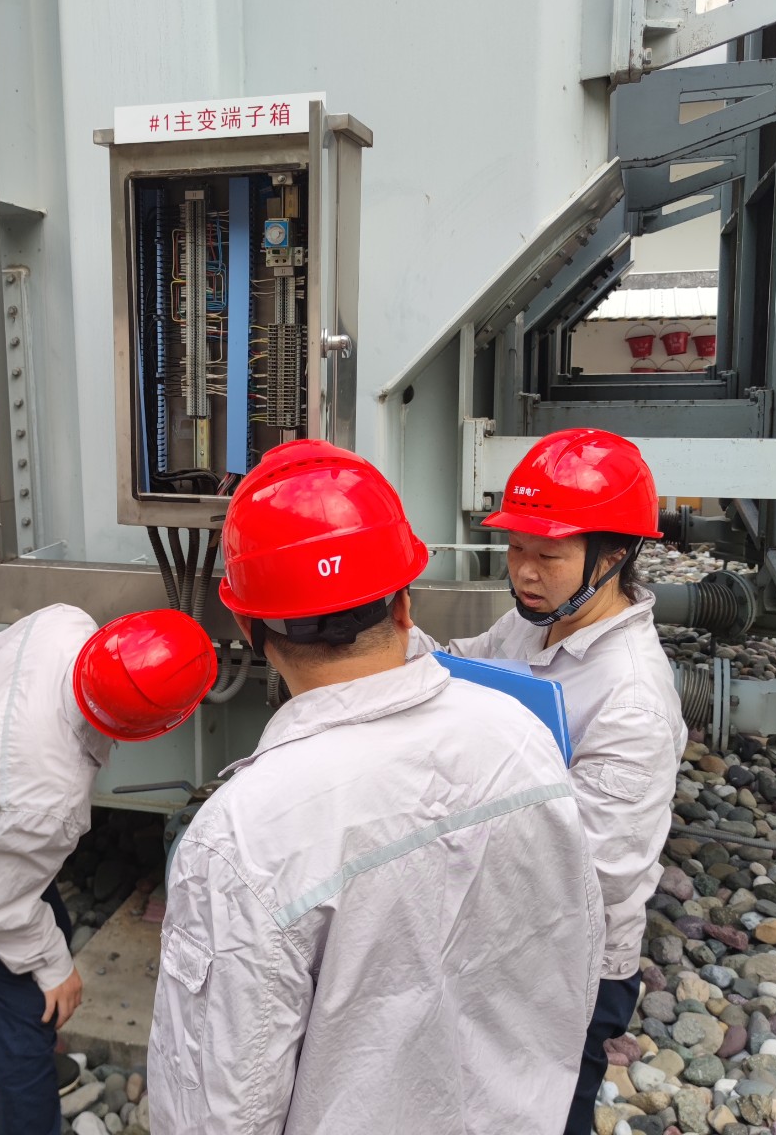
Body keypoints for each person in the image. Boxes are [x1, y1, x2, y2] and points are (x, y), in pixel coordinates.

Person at [148, 440, 604, 1134]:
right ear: (404, 604)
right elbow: (576, 949)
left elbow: (218, 1104)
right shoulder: (520, 735)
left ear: (245, 623)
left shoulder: (242, 836)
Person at [411, 428, 688, 1135]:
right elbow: (458, 668)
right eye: (515, 549)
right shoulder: (533, 623)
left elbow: (598, 870)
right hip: (495, 935)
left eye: (548, 556)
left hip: (569, 968)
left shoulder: (630, 699)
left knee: (546, 1115)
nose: (525, 573)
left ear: (614, 555)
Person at [0, 604, 217, 1135]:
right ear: (150, 727)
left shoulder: (61, 622)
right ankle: (17, 1090)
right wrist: (56, 971)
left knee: (39, 935)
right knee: (28, 1002)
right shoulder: (50, 797)